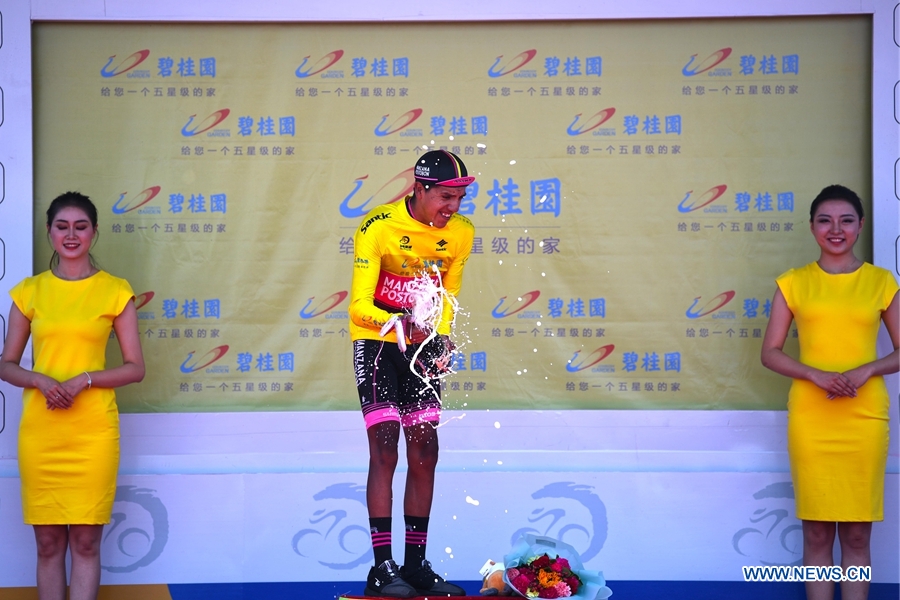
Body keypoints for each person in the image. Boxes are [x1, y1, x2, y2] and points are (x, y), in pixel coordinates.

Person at [0, 192, 145, 600]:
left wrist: (85, 379)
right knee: (47, 544)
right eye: (62, 226)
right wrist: (39, 380)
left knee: (85, 542)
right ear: (49, 231)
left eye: (80, 227)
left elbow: (135, 367)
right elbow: (6, 364)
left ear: (94, 232)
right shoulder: (28, 292)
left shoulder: (115, 291)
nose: (71, 235)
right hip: (42, 433)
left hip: (93, 431)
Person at [760, 185, 899, 600]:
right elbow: (770, 352)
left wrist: (868, 368)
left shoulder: (881, 282)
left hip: (864, 417)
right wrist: (814, 375)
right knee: (817, 531)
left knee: (857, 534)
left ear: (861, 226)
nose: (835, 229)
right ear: (812, 227)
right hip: (812, 417)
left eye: (846, 220)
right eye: (825, 220)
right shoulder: (793, 283)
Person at [349, 150, 475, 597]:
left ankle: (416, 565)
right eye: (444, 197)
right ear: (419, 190)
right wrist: (398, 321)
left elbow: (448, 299)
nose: (453, 208)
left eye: (459, 199)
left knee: (425, 451)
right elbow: (358, 306)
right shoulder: (378, 226)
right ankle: (382, 568)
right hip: (377, 342)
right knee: (385, 450)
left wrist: (442, 337)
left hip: (420, 345)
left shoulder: (461, 233)